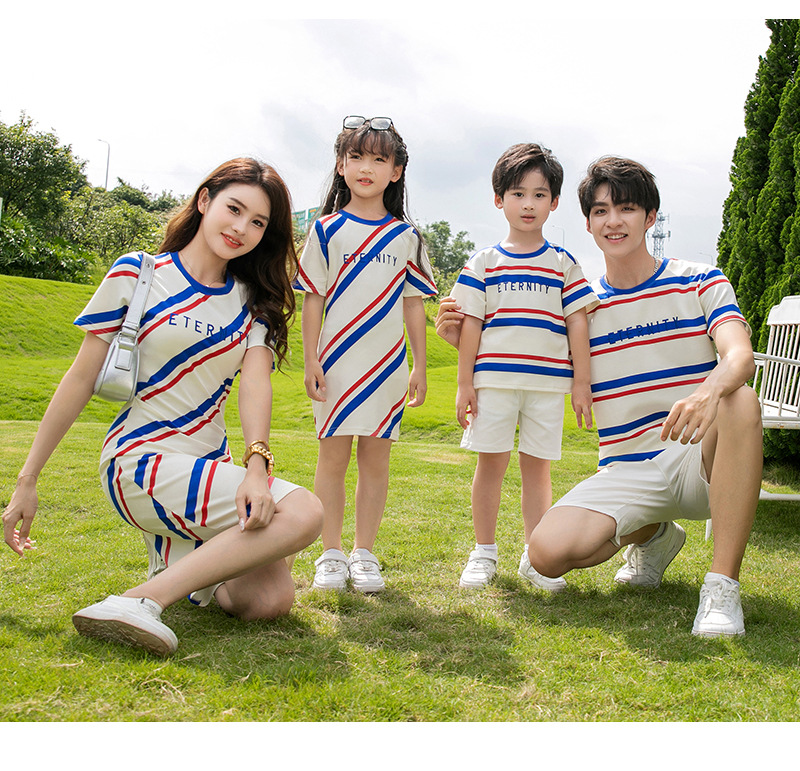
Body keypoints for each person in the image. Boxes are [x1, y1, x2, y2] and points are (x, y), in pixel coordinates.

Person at [2, 158, 324, 656]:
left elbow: (255, 385)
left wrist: (256, 467)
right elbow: (80, 378)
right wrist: (28, 479)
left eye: (258, 222)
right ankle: (139, 601)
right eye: (234, 209)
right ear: (204, 201)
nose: (241, 228)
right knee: (304, 510)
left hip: (209, 464)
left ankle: (180, 559)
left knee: (267, 600)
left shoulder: (252, 301)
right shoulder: (139, 273)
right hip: (139, 459)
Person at [437, 156, 762, 637]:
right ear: (587, 223)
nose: (614, 221)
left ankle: (721, 587)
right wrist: (463, 342)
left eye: (627, 208)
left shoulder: (700, 279)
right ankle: (654, 535)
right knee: (545, 554)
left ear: (650, 217)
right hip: (627, 470)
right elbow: (529, 352)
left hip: (700, 458)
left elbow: (739, 357)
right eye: (600, 211)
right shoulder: (581, 309)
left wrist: (706, 393)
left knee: (741, 399)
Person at [295, 116, 437, 593]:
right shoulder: (325, 230)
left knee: (376, 462)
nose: (366, 168)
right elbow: (313, 299)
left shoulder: (406, 237)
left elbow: (413, 305)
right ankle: (331, 554)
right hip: (335, 364)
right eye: (355, 156)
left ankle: (364, 553)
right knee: (332, 460)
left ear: (396, 172)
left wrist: (419, 366)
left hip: (387, 367)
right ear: (340, 165)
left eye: (379, 159)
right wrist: (311, 360)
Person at [448, 143, 598, 591]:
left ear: (554, 202)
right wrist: (464, 383)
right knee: (490, 466)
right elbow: (471, 326)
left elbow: (577, 324)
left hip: (548, 386)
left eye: (539, 195)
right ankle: (483, 552)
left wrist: (582, 384)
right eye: (517, 193)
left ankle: (536, 555)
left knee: (538, 471)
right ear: (499, 199)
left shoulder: (563, 264)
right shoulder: (484, 263)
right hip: (493, 383)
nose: (528, 204)